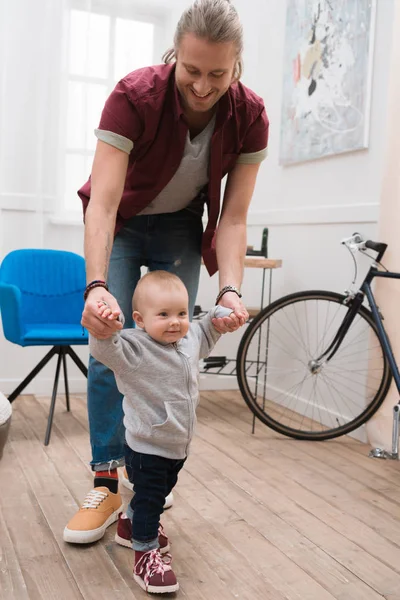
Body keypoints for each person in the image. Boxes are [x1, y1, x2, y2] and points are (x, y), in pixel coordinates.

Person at [63, 0, 269, 545]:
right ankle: (106, 480)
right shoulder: (134, 97)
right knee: (114, 346)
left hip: (181, 225)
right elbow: (103, 203)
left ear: (237, 65)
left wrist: (230, 289)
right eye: (191, 70)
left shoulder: (250, 116)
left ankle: (144, 466)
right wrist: (98, 286)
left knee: (173, 347)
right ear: (175, 54)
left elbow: (234, 217)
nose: (202, 86)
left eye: (217, 74)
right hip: (125, 222)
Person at [89, 271, 235, 593]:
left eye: (181, 313)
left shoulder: (188, 340)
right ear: (140, 319)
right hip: (146, 447)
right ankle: (145, 552)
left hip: (177, 446)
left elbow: (206, 329)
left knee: (158, 491)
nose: (175, 322)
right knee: (151, 500)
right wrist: (104, 327)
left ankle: (129, 525)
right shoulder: (134, 349)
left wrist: (221, 315)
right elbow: (104, 349)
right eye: (164, 315)